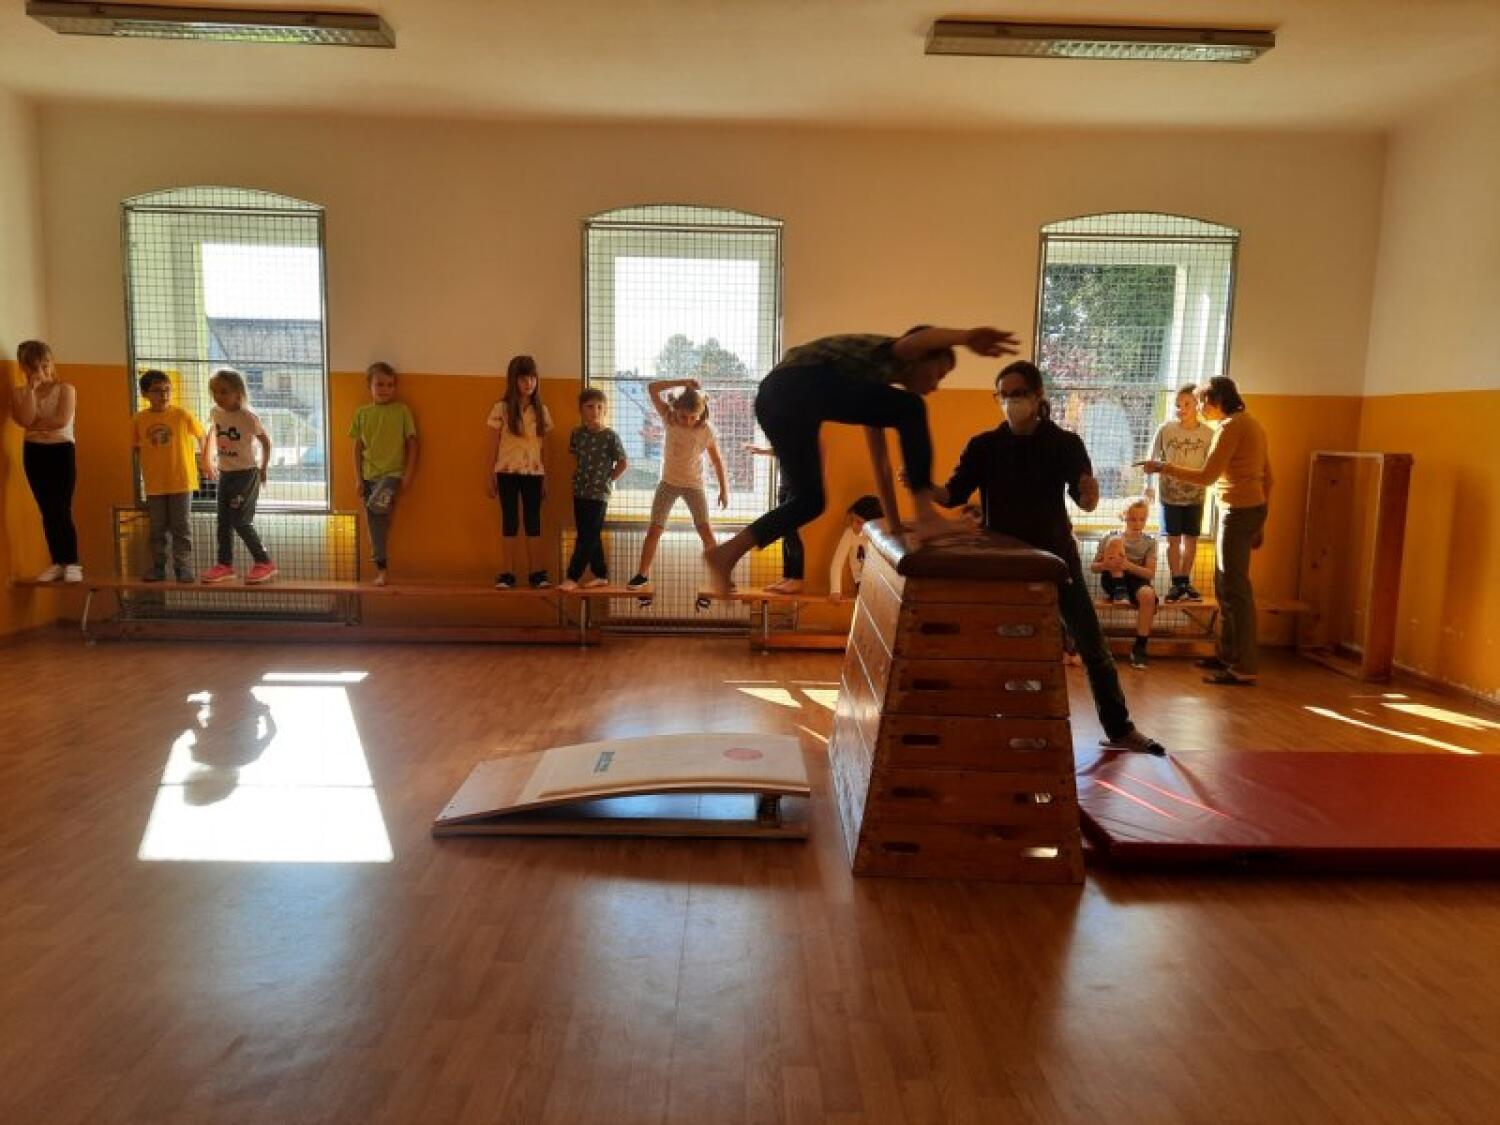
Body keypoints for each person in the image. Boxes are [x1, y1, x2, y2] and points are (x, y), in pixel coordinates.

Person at [934, 359, 1166, 756]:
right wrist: (922, 485)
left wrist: (1091, 493)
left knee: (1092, 646)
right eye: (1003, 395)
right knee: (1010, 650)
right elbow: (952, 494)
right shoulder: (984, 446)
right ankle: (1012, 726)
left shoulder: (1064, 443)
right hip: (1005, 565)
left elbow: (1086, 500)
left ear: (1038, 395)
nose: (1011, 402)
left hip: (1057, 560)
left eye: (1018, 394)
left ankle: (1119, 728)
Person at [703, 325, 1019, 595]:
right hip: (797, 383)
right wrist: (966, 337)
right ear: (920, 359)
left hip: (775, 400)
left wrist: (895, 524)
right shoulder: (893, 353)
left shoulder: (870, 392)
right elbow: (918, 340)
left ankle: (726, 553)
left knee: (811, 502)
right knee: (912, 408)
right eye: (938, 374)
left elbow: (880, 462)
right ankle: (927, 514)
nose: (936, 386)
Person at [1145, 375, 1271, 686]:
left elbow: (1206, 477)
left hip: (1238, 511)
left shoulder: (1230, 428)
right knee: (1225, 586)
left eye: (1202, 402)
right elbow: (1269, 477)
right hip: (1248, 509)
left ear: (1217, 401)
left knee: (1235, 589)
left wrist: (1164, 467)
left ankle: (1244, 665)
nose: (1200, 409)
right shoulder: (1251, 424)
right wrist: (1262, 519)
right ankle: (1228, 655)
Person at [625, 379, 728, 592]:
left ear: (701, 414)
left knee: (705, 530)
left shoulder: (706, 430)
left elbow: (717, 461)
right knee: (655, 528)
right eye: (683, 416)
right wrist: (683, 382)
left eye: (693, 417)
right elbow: (652, 389)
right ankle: (642, 574)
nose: (688, 421)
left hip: (694, 486)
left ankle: (720, 576)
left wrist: (723, 490)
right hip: (668, 483)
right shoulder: (668, 418)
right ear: (676, 411)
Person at [9, 340, 81, 582]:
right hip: (34, 452)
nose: (40, 371)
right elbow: (26, 420)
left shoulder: (66, 389)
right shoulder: (20, 393)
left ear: (51, 363)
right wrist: (31, 391)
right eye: (33, 367)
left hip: (61, 451)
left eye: (44, 365)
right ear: (24, 367)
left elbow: (61, 420)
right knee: (47, 510)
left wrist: (36, 426)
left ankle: (72, 562)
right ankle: (57, 562)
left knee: (61, 507)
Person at [198, 368, 277, 585]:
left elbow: (266, 442)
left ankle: (264, 561)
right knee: (223, 521)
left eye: (224, 392)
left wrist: (264, 468)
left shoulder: (248, 417)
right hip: (226, 474)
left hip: (245, 474)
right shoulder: (216, 413)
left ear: (238, 393)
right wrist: (207, 458)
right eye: (214, 392)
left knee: (240, 521)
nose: (218, 396)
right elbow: (213, 432)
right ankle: (225, 565)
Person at [132, 370, 205, 583]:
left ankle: (183, 567)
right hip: (155, 484)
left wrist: (206, 460)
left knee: (181, 527)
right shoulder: (139, 419)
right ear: (145, 394)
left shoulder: (182, 415)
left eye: (167, 390)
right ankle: (158, 567)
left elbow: (202, 435)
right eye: (157, 391)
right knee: (157, 528)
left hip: (181, 481)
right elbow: (136, 448)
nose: (164, 395)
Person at [349, 361, 418, 586]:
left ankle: (383, 515)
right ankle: (382, 570)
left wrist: (408, 475)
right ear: (369, 386)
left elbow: (413, 443)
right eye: (380, 384)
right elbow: (357, 448)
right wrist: (358, 479)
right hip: (369, 477)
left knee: (373, 511)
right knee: (375, 526)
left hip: (392, 475)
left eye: (390, 385)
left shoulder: (401, 411)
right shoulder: (362, 413)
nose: (385, 389)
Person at [486, 355, 552, 588]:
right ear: (513, 380)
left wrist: (545, 478)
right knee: (510, 521)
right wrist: (490, 475)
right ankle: (507, 573)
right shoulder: (501, 409)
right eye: (523, 378)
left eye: (532, 378)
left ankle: (537, 573)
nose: (528, 383)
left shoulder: (541, 411)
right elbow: (492, 445)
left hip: (534, 475)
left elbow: (544, 448)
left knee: (534, 522)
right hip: (506, 473)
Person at [1144, 384, 1210, 602]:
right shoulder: (1166, 429)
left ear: (1198, 404)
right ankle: (1176, 582)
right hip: (1169, 495)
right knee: (1173, 540)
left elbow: (1213, 465)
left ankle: (1185, 581)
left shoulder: (1208, 433)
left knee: (1191, 539)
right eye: (1177, 405)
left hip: (1196, 496)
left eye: (1187, 404)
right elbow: (1151, 458)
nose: (1181, 409)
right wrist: (1148, 484)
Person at [560, 387, 628, 591]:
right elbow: (576, 458)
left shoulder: (610, 436)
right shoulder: (577, 434)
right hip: (580, 491)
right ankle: (600, 574)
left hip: (599, 494)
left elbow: (623, 463)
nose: (595, 411)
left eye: (599, 407)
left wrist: (608, 479)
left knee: (586, 536)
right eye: (590, 407)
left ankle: (573, 576)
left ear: (605, 410)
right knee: (589, 533)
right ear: (581, 410)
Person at [1091, 496, 1158, 668]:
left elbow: (1149, 573)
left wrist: (1128, 565)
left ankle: (1140, 647)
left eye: (1142, 519)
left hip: (1136, 579)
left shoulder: (1150, 542)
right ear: (1123, 517)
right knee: (1115, 541)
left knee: (1148, 595)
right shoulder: (1110, 536)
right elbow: (1094, 567)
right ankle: (1120, 590)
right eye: (1132, 519)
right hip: (1112, 579)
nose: (1137, 523)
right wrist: (1106, 564)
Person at [743, 442, 806, 594]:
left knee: (791, 533)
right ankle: (788, 577)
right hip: (785, 486)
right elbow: (783, 449)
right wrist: (763, 451)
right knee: (785, 532)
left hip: (797, 488)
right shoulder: (785, 434)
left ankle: (797, 579)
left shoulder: (801, 433)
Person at [828, 495, 885, 599]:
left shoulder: (882, 535)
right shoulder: (849, 534)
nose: (854, 525)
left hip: (882, 582)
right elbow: (837, 563)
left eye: (859, 522)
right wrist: (835, 590)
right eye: (853, 519)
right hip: (862, 581)